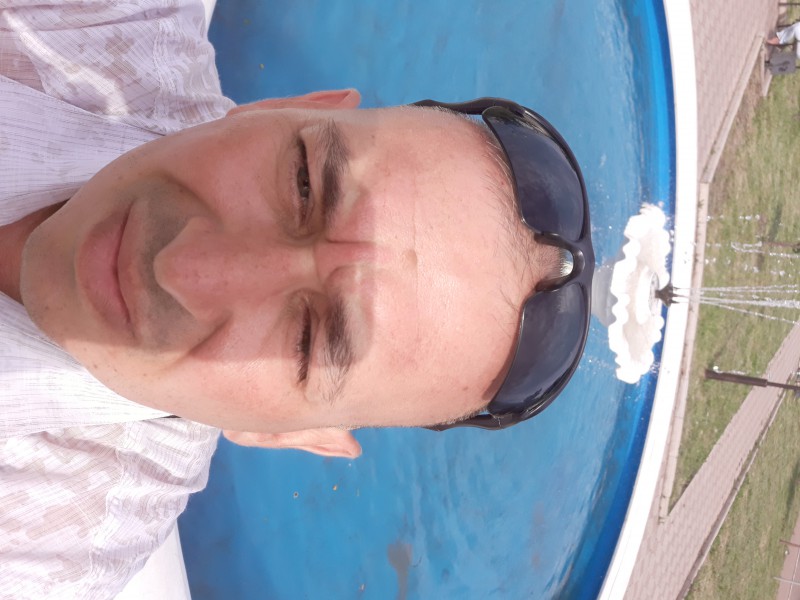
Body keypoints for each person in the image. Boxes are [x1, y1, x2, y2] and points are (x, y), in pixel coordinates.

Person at [0, 0, 593, 597]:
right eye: (304, 183)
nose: (182, 267)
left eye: (308, 343)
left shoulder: (46, 555)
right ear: (279, 107)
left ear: (283, 435)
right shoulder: (107, 20)